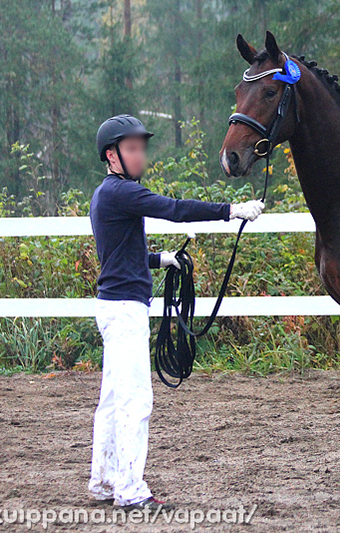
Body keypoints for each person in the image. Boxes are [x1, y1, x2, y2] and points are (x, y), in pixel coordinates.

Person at [87, 114, 263, 510]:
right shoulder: (122, 192)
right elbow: (175, 209)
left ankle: (104, 481)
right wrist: (231, 210)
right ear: (112, 156)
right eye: (132, 149)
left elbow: (118, 256)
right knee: (135, 400)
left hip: (115, 305)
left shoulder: (105, 195)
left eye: (141, 148)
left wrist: (160, 259)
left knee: (112, 400)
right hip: (125, 310)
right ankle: (130, 491)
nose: (140, 156)